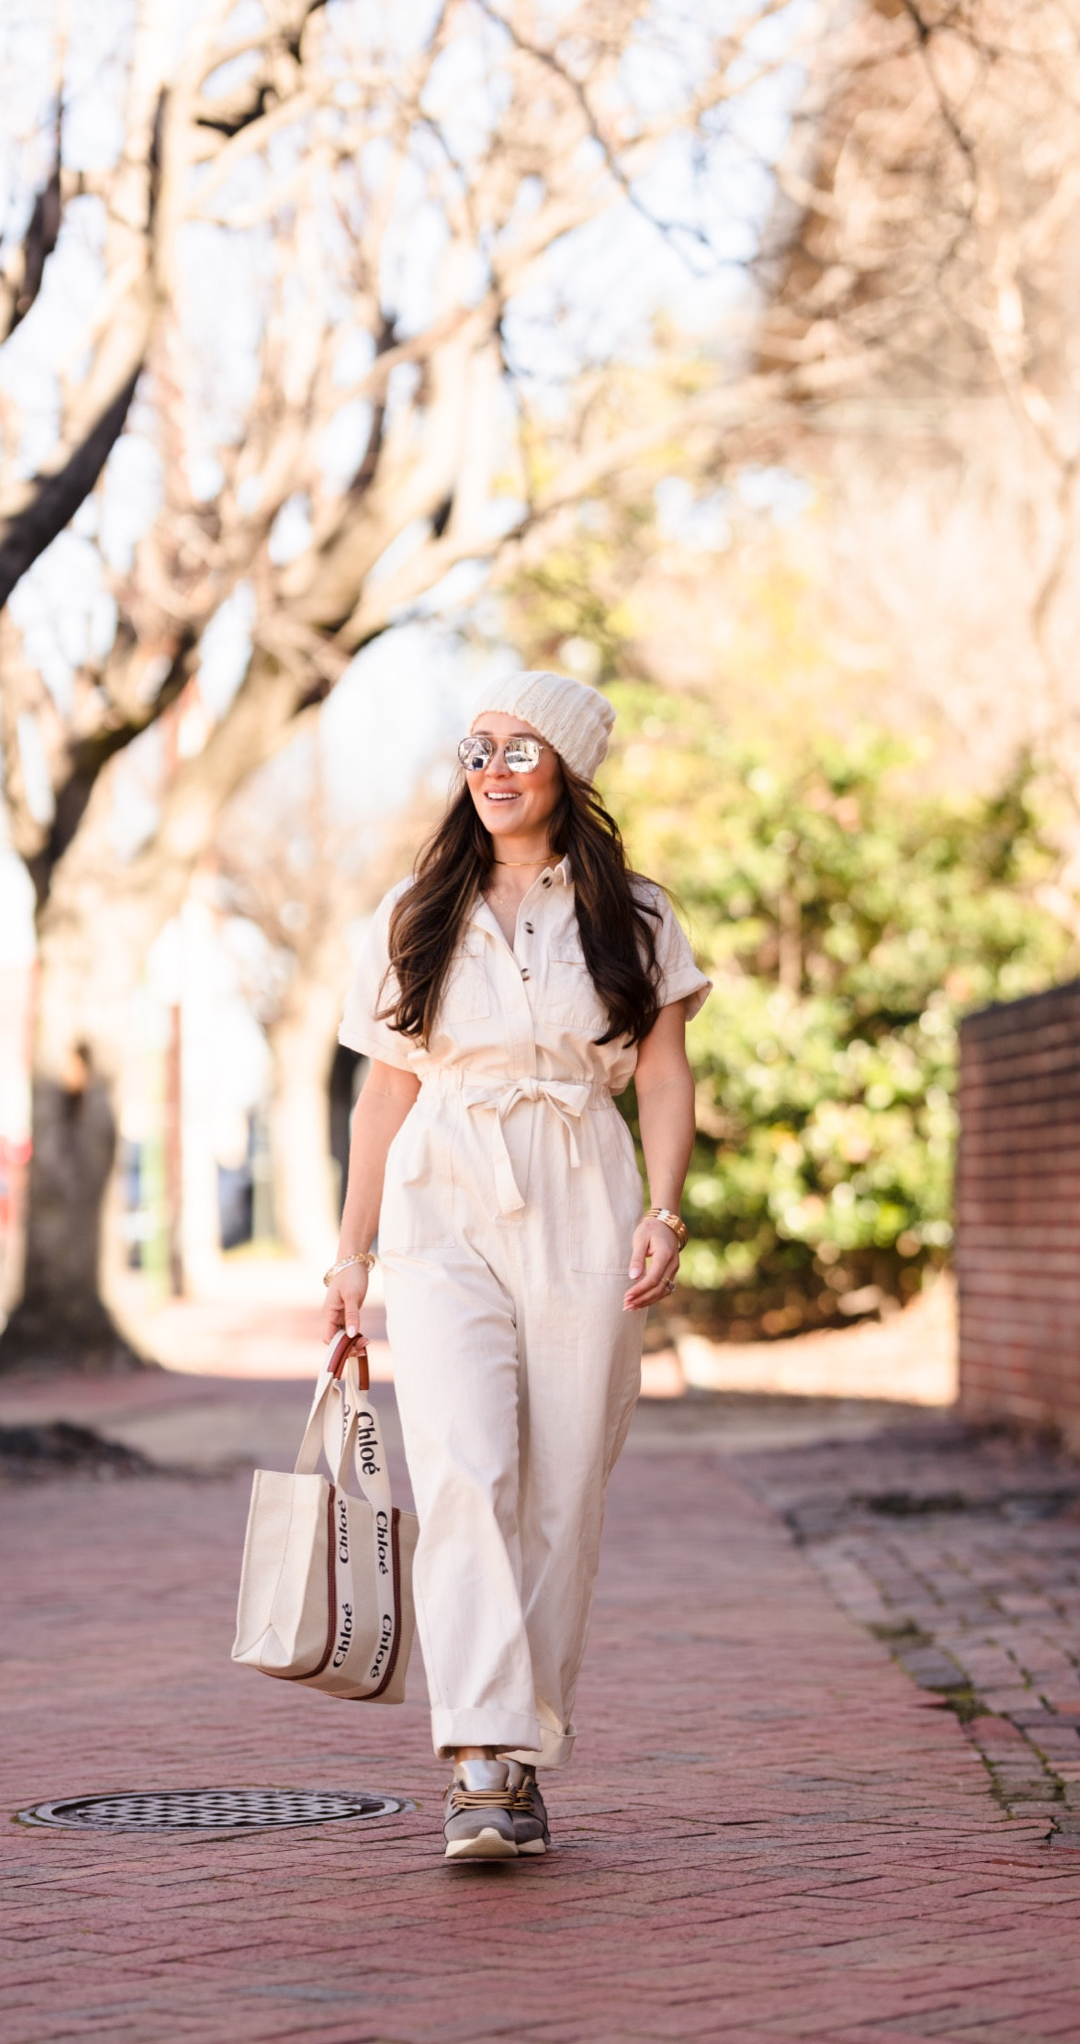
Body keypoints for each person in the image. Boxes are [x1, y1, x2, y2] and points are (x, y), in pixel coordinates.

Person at [323, 669, 710, 1861]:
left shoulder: (635, 914)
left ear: (567, 768)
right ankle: (480, 1758)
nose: (491, 769)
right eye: (475, 748)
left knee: (565, 1485)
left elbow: (663, 1072)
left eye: (518, 749)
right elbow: (384, 1090)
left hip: (585, 1187)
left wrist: (665, 1211)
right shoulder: (415, 911)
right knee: (465, 1467)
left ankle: (525, 1745)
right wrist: (350, 1250)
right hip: (445, 1195)